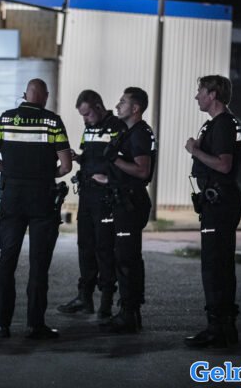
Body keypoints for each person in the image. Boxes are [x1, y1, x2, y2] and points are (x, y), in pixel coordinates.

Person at [0, 78, 72, 339]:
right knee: (38, 263)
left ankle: (1, 325)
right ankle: (35, 325)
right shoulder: (53, 122)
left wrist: (14, 172)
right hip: (42, 198)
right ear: (45, 96)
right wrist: (44, 174)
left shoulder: (5, 119)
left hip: (11, 197)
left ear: (25, 95)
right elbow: (66, 166)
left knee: (7, 259)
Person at [183, 75, 241, 348]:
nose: (196, 96)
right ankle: (225, 327)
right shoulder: (230, 123)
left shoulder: (222, 124)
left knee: (214, 266)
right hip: (224, 198)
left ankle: (217, 329)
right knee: (221, 264)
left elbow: (224, 165)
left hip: (219, 201)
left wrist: (195, 150)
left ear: (213, 95)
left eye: (200, 91)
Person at [56, 90, 125, 320]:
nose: (85, 119)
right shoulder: (90, 127)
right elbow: (90, 154)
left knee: (104, 248)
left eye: (87, 114)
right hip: (87, 194)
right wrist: (79, 158)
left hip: (105, 197)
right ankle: (84, 298)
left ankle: (106, 300)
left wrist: (108, 178)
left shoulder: (117, 127)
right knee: (85, 246)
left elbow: (120, 159)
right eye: (82, 115)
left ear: (97, 106)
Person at [98, 87, 156, 333]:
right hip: (123, 199)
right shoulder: (129, 131)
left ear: (135, 108)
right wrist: (108, 179)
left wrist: (115, 160)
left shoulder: (140, 133)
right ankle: (128, 311)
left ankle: (129, 314)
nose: (117, 105)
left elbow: (142, 171)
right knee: (123, 257)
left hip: (131, 202)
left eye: (123, 102)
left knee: (127, 259)